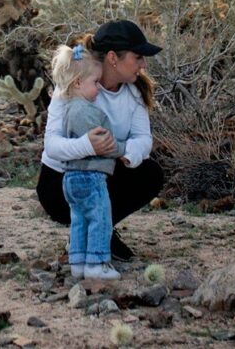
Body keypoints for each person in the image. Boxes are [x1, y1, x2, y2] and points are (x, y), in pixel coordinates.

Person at [36, 19, 165, 260]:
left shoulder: (134, 93)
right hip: (60, 184)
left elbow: (143, 141)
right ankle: (92, 233)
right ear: (114, 58)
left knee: (150, 173)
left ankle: (97, 232)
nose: (144, 64)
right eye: (138, 57)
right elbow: (52, 146)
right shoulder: (72, 87)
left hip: (103, 173)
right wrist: (88, 145)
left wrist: (117, 150)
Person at [50, 42, 121, 281]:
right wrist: (120, 149)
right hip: (91, 175)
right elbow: (105, 143)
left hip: (70, 177)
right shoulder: (87, 111)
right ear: (78, 83)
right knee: (100, 217)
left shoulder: (69, 108)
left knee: (79, 219)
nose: (98, 88)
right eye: (95, 82)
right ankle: (97, 262)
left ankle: (78, 261)